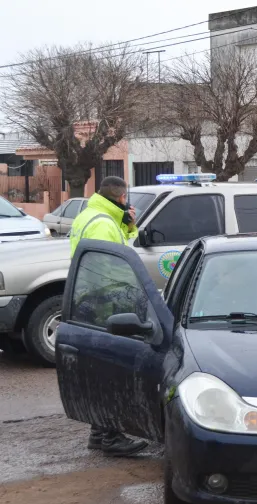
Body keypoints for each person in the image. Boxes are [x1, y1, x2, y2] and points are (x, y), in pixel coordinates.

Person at [68, 176, 148, 457]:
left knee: (103, 369)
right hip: (105, 303)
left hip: (92, 300)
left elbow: (117, 250)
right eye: (126, 199)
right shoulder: (103, 222)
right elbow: (110, 267)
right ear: (121, 198)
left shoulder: (93, 215)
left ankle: (100, 433)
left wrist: (128, 227)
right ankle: (110, 436)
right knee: (111, 370)